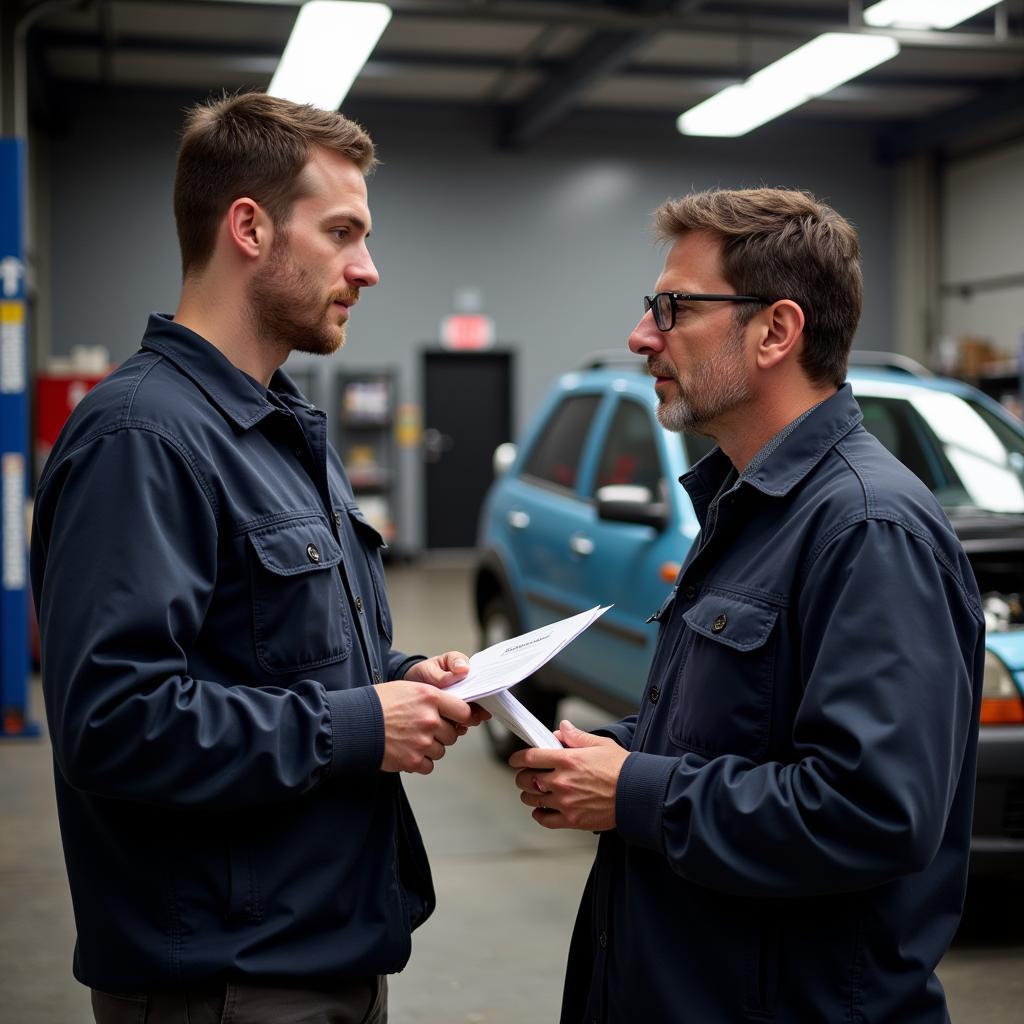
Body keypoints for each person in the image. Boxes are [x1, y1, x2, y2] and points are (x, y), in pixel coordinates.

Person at [31, 92, 487, 1024]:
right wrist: (361, 726)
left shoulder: (280, 427)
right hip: (222, 985)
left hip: (321, 952)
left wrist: (403, 681)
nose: (368, 267)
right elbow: (114, 723)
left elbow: (269, 652)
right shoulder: (141, 438)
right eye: (343, 231)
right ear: (248, 227)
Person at [510, 187, 984, 1023]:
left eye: (673, 307)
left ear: (776, 331)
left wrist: (635, 793)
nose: (641, 335)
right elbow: (745, 732)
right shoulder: (746, 504)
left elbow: (871, 813)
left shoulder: (867, 528)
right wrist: (606, 754)